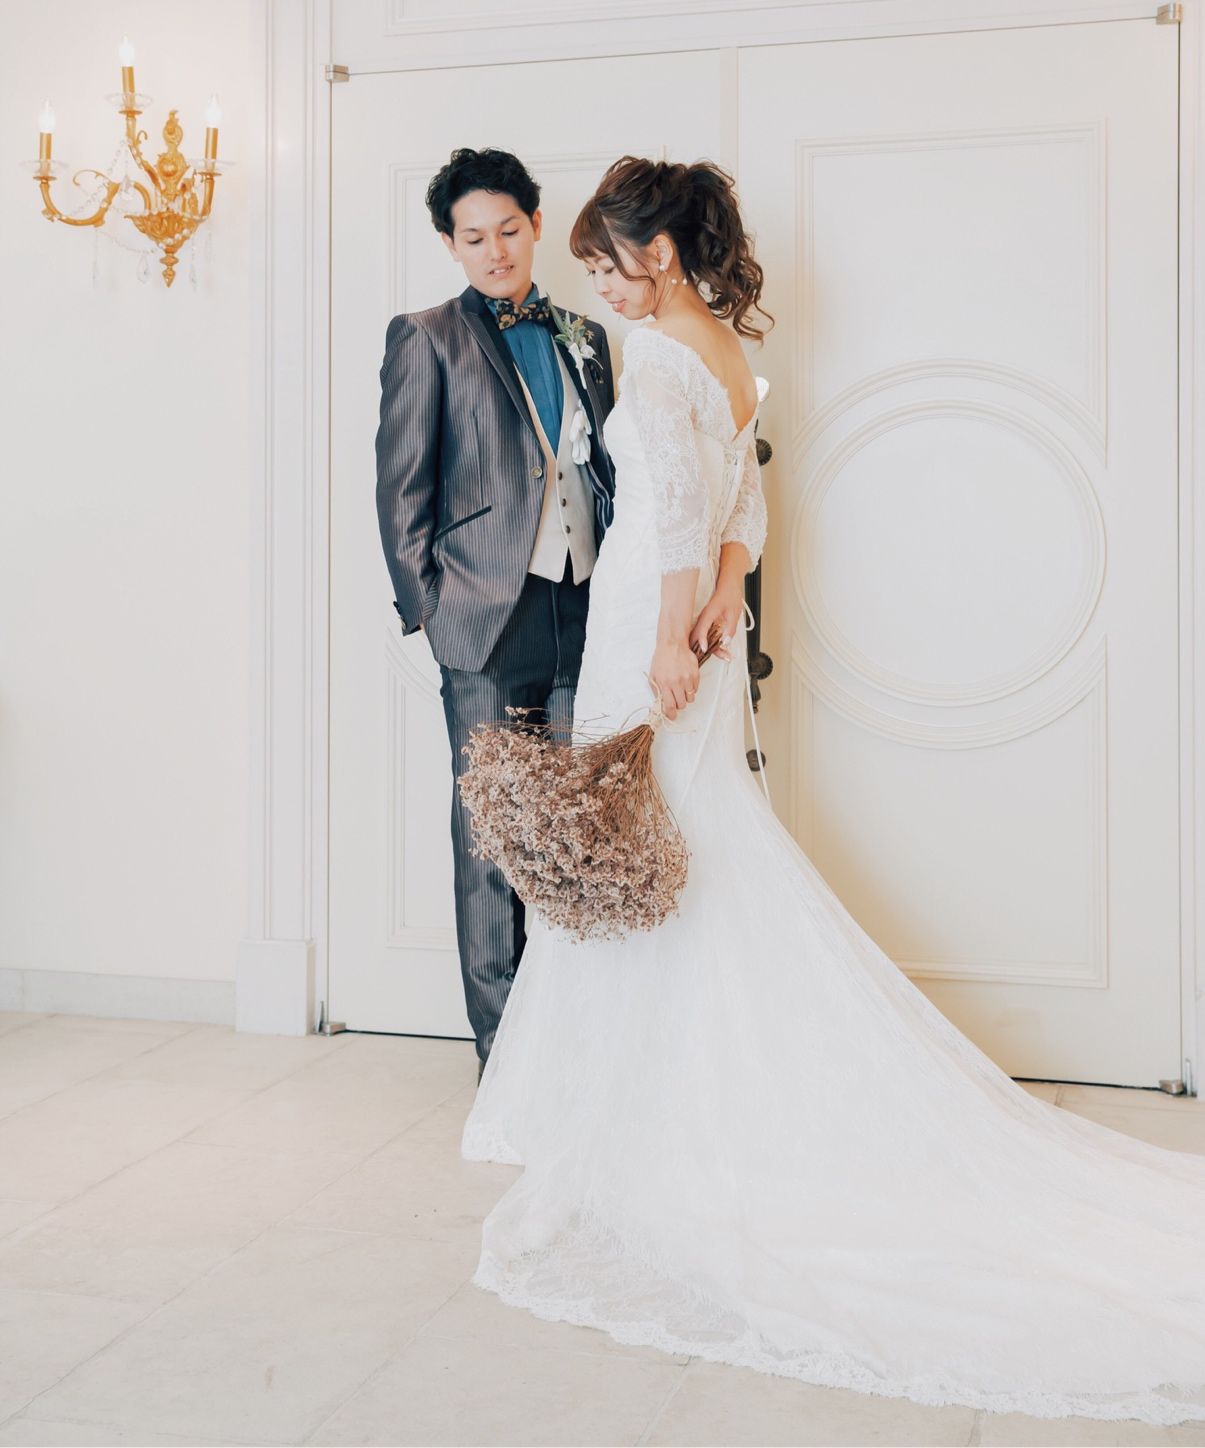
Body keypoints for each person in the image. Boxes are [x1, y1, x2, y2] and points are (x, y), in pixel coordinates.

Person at [459, 154, 1205, 1426]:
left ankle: (661, 1122)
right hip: (697, 625)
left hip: (652, 632)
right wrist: (720, 601)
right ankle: (659, 1103)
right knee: (686, 852)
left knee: (653, 858)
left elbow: (681, 512)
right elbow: (743, 511)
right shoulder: (726, 352)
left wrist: (666, 638)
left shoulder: (658, 355)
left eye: (605, 263)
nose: (601, 287)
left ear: (658, 255)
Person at [375, 148, 616, 1082]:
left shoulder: (585, 336)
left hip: (583, 605)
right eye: (472, 237)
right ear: (449, 244)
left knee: (573, 829)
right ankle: (505, 1063)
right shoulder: (425, 337)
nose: (494, 251)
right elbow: (401, 490)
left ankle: (576, 1041)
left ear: (536, 225)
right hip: (482, 619)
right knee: (490, 837)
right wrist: (431, 614)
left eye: (508, 230)